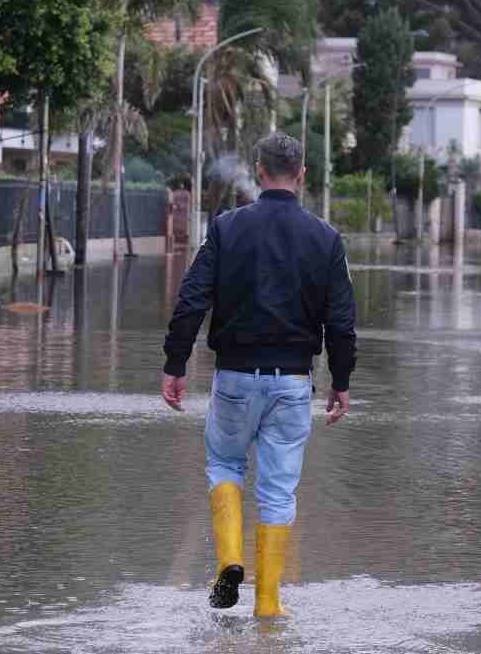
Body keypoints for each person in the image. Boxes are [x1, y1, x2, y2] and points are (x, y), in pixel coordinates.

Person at [160, 132, 357, 618]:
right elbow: (343, 322)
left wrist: (175, 364)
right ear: (303, 175)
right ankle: (268, 604)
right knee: (278, 489)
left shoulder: (226, 229)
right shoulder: (326, 239)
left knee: (225, 466)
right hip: (293, 383)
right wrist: (342, 380)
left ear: (260, 170)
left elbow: (191, 301)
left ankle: (229, 561)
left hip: (234, 379)